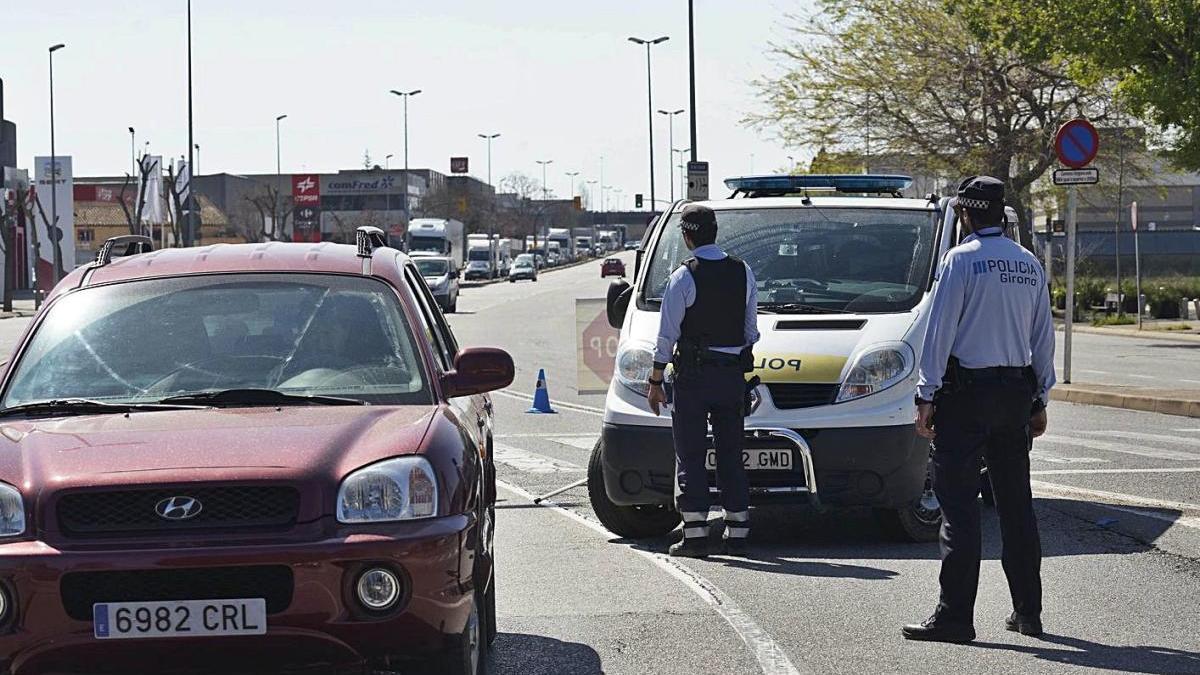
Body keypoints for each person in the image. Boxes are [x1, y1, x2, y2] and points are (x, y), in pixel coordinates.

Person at [902, 176, 1055, 644]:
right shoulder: (1028, 264)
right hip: (1014, 395)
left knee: (959, 510)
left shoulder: (961, 260)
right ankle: (1028, 612)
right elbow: (1042, 337)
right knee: (1015, 506)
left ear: (965, 215)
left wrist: (926, 395)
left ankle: (955, 617)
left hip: (965, 397)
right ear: (1001, 213)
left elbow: (939, 330)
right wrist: (1040, 398)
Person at [646, 204, 759, 558]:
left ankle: (695, 535)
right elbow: (751, 331)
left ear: (687, 235)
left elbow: (666, 335)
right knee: (730, 453)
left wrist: (655, 378)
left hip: (693, 377)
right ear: (715, 231)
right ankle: (738, 530)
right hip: (730, 376)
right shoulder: (744, 272)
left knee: (691, 454)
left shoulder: (684, 277)